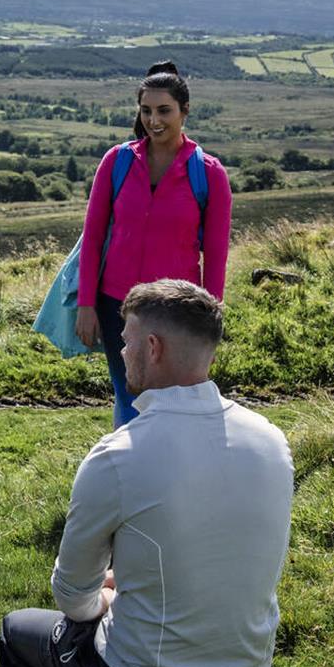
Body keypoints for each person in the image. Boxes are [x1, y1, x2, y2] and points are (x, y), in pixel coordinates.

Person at [2, 280, 291, 667]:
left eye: (125, 340)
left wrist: (107, 596)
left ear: (152, 347)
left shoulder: (118, 455)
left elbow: (74, 599)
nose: (120, 352)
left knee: (16, 628)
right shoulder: (271, 440)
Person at [74, 60, 232, 425]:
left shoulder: (209, 173)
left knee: (172, 400)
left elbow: (217, 255)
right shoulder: (117, 161)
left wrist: (211, 321)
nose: (153, 120)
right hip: (117, 305)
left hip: (177, 311)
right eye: (146, 110)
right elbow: (93, 236)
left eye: (164, 110)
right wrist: (86, 304)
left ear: (185, 111)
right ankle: (129, 473)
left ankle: (169, 471)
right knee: (128, 395)